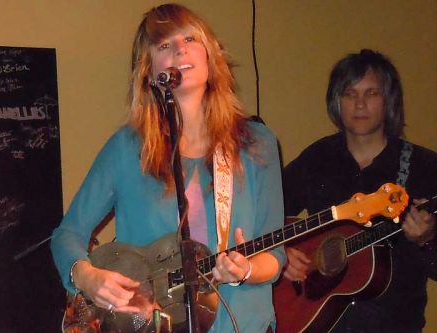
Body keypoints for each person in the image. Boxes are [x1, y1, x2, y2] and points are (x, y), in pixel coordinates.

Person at [51, 3, 285, 333]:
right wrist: (86, 277)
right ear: (149, 71)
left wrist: (245, 270)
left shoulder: (256, 143)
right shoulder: (126, 147)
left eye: (190, 38)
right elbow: (68, 234)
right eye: (164, 45)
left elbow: (274, 256)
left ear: (210, 55)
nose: (179, 49)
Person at [279, 49, 437, 333]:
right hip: (319, 323)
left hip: (394, 324)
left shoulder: (423, 166)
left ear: (388, 101)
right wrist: (281, 253)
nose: (360, 104)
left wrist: (428, 239)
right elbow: (267, 213)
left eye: (371, 94)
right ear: (337, 102)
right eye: (350, 94)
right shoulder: (317, 158)